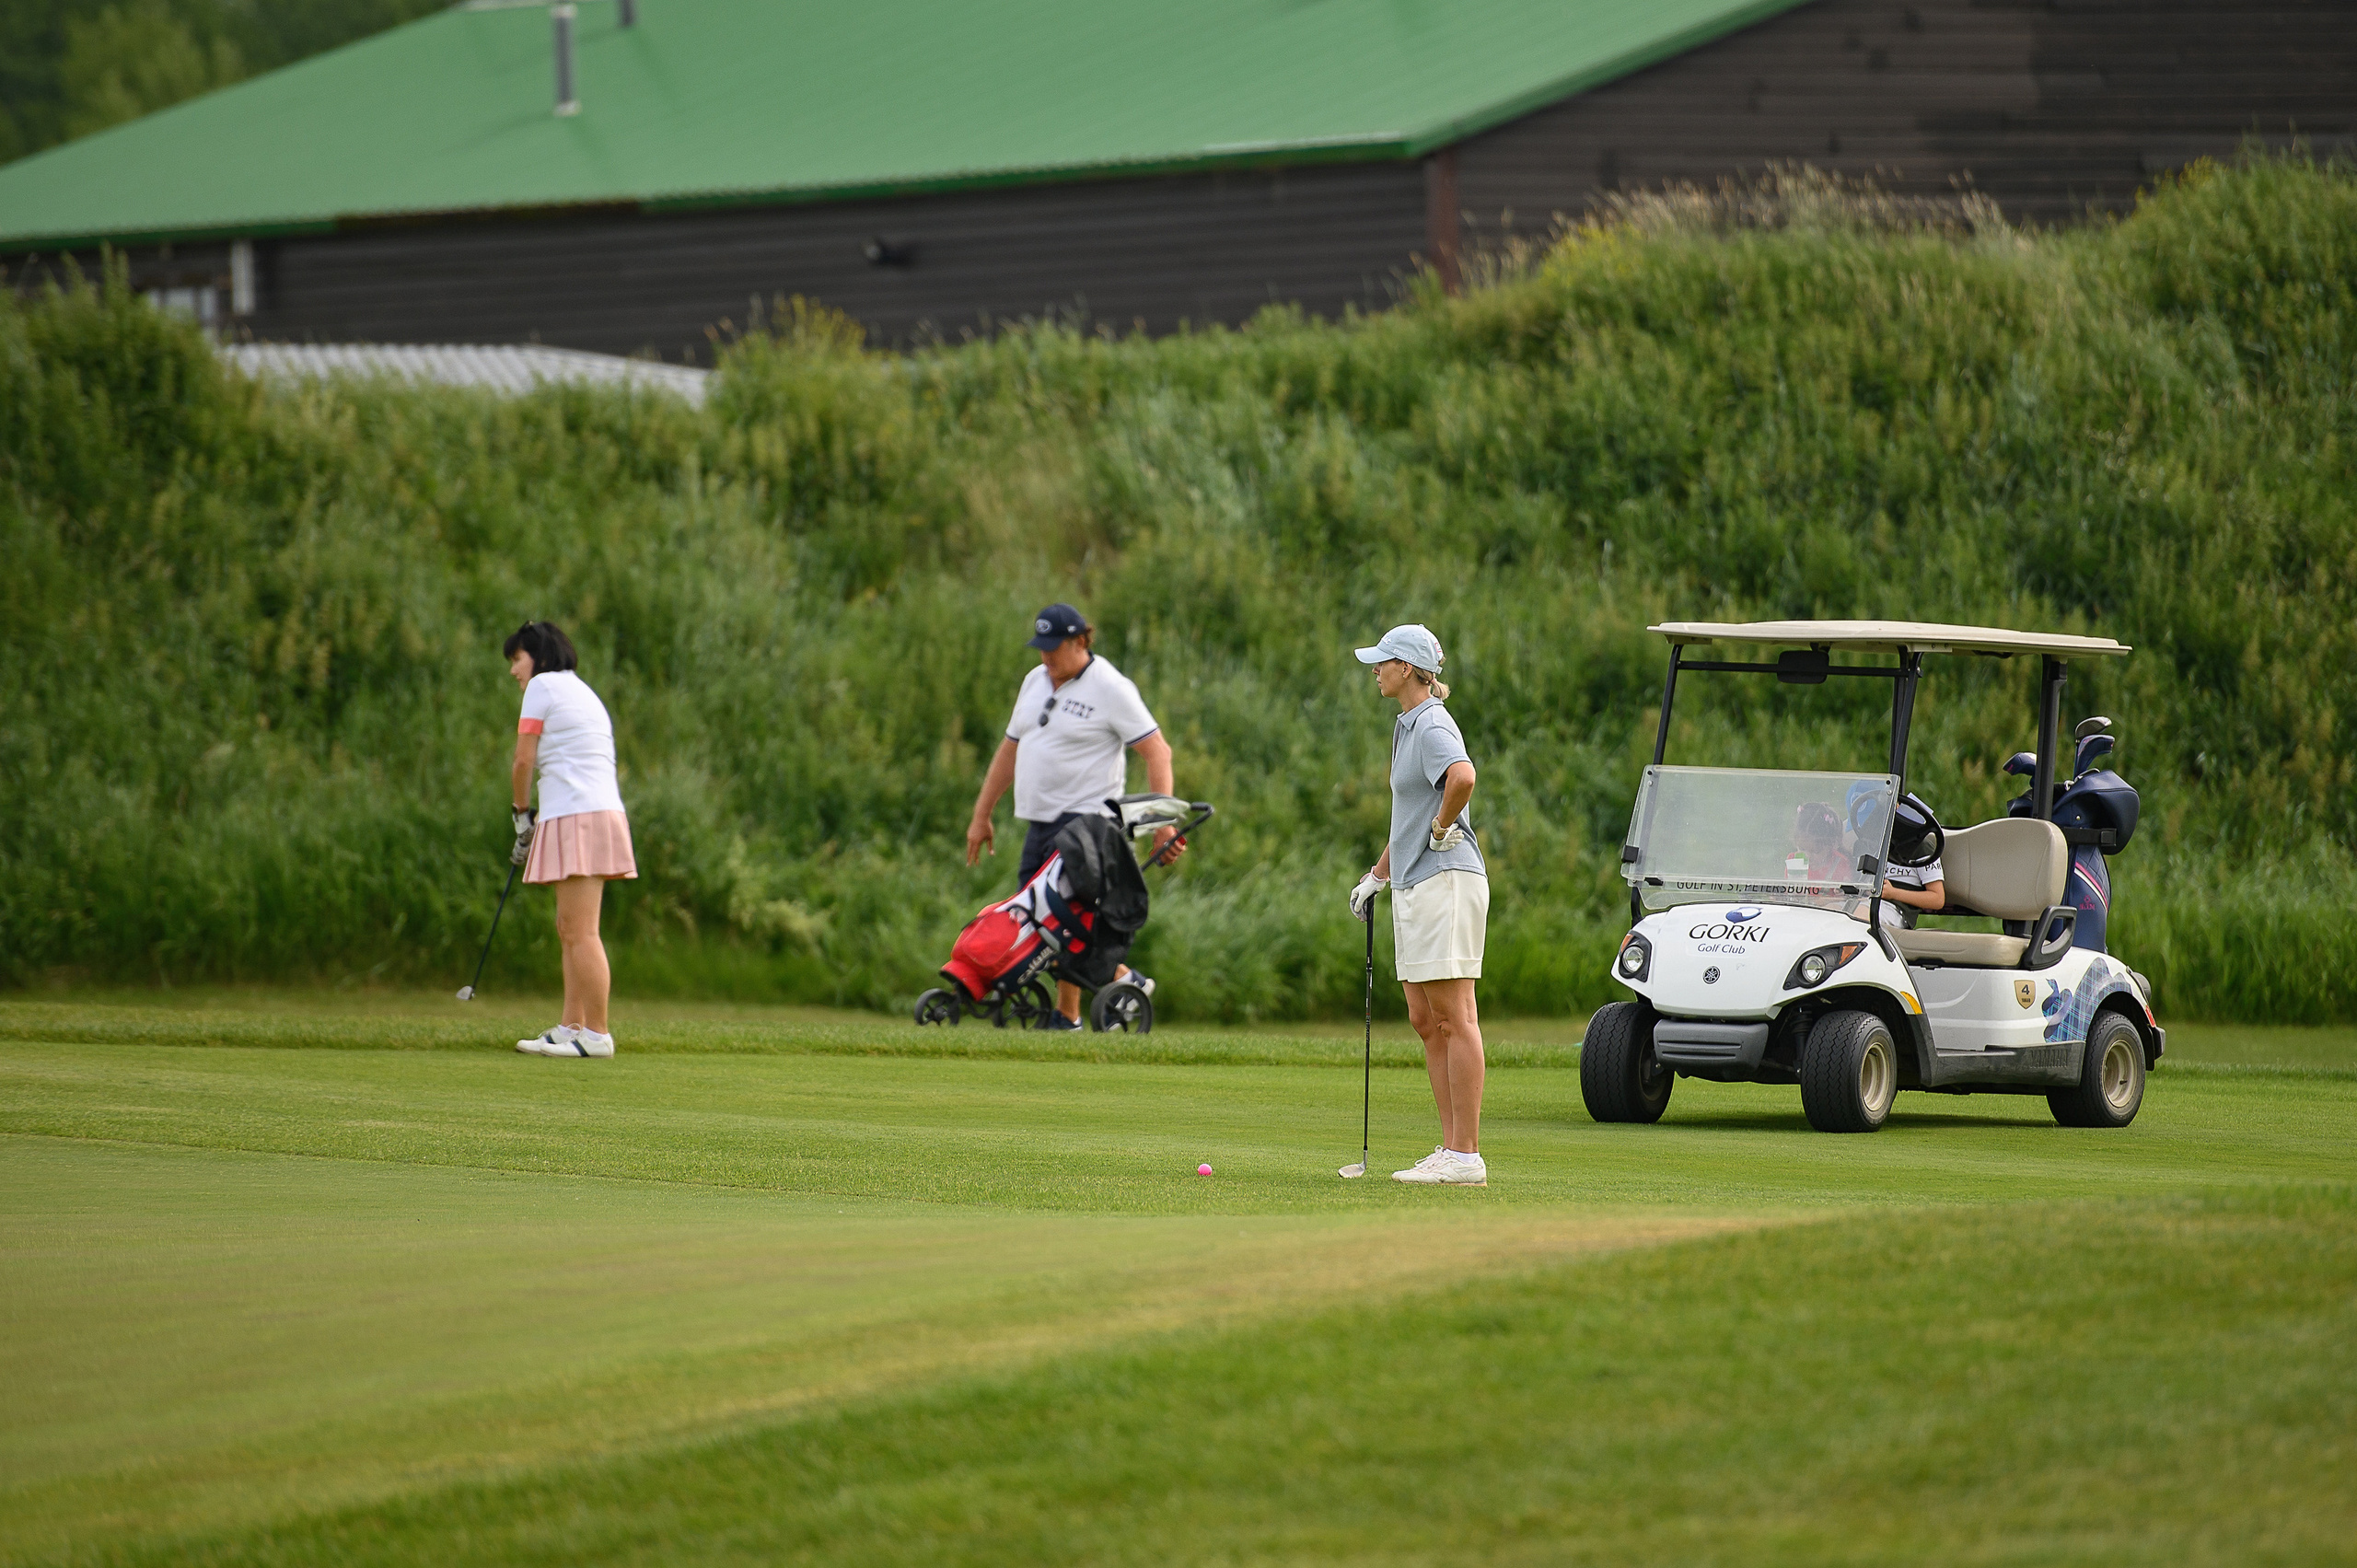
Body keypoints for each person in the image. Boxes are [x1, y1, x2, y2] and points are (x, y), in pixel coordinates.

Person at [965, 604, 1182, 1028]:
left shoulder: (1110, 687)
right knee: (1035, 920)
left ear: (1081, 641)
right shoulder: (1034, 682)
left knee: (1058, 918)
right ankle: (1122, 981)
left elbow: (1158, 751)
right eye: (1040, 648)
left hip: (1088, 826)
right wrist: (981, 815)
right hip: (1039, 822)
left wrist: (1161, 822)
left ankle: (1069, 1014)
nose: (1046, 657)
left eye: (1054, 648)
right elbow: (1008, 751)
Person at [1346, 624, 1489, 1187]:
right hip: (1413, 883)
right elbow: (1410, 816)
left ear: (1407, 668)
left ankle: (1466, 1154)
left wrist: (1443, 825)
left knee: (1455, 1017)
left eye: (1382, 663)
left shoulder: (1431, 723)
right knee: (1426, 1020)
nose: (1374, 670)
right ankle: (1450, 1148)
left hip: (1446, 880)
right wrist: (1377, 876)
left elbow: (1462, 777)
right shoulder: (1407, 726)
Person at [503, 621, 635, 1059]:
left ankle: (597, 1034)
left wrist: (520, 816)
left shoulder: (542, 686)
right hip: (584, 812)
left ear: (537, 657)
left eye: (516, 659)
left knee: (582, 931)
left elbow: (523, 762)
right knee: (568, 928)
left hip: (580, 814)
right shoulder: (579, 689)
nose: (513, 671)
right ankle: (570, 1026)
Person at [1878, 792, 1946, 928]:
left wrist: (1893, 893)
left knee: (1858, 917)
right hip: (1864, 902)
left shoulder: (1924, 848)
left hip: (1896, 909)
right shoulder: (1872, 842)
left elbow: (1937, 899)